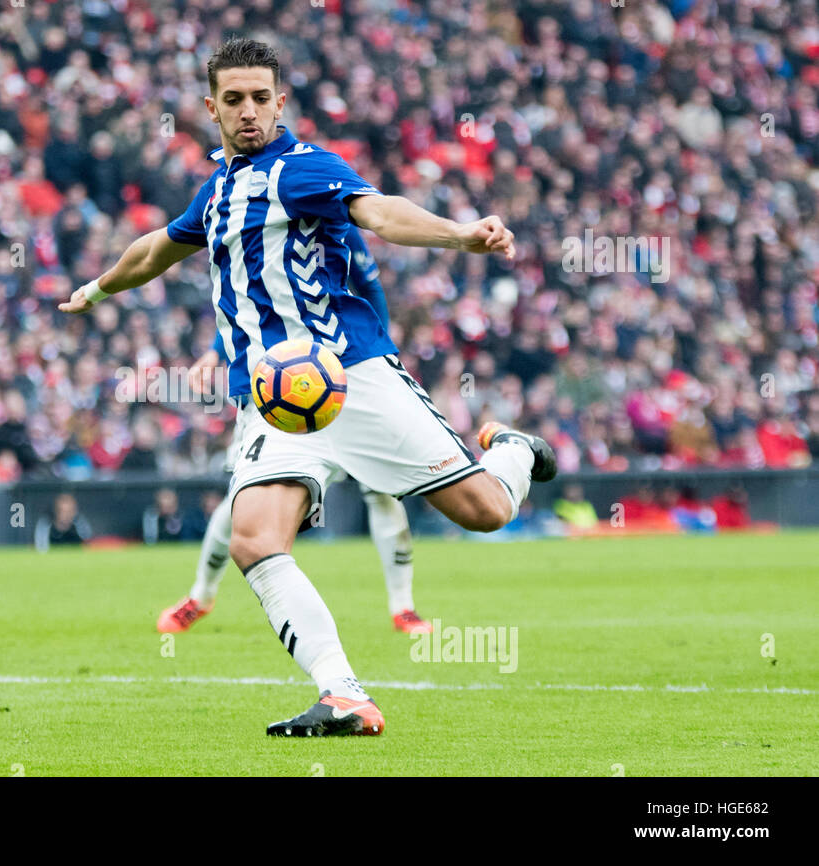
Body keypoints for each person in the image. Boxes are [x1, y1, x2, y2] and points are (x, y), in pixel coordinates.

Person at [60, 39, 555, 737]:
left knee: (486, 510)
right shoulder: (217, 193)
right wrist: (97, 287)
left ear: (280, 102)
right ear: (211, 108)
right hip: (274, 398)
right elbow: (152, 251)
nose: (249, 111)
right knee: (255, 540)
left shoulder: (303, 169)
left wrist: (459, 236)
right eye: (234, 99)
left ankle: (513, 449)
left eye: (261, 97)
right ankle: (345, 696)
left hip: (350, 376)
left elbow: (380, 212)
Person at [157, 228, 432, 637]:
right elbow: (242, 303)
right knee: (242, 498)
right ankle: (200, 596)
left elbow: (370, 292)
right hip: (278, 390)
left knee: (381, 492)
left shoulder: (337, 221)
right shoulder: (258, 222)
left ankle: (403, 608)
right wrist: (214, 353)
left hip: (344, 383)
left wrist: (382, 357)